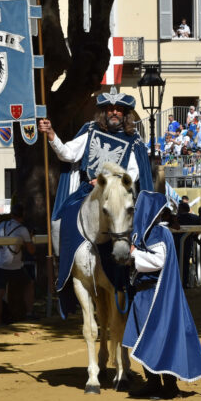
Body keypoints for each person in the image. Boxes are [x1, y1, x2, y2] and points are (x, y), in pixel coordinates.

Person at [39, 89, 153, 316]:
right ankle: (64, 268)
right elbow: (69, 154)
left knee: (128, 224)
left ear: (125, 114)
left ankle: (133, 272)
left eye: (119, 109)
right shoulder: (89, 131)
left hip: (116, 193)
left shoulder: (134, 141)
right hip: (86, 191)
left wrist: (109, 182)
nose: (114, 112)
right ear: (103, 112)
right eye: (110, 109)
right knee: (59, 220)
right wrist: (51, 134)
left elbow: (134, 173)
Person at [123, 191, 201, 399]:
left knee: (158, 338)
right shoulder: (145, 232)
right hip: (143, 293)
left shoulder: (159, 233)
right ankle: (154, 383)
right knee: (147, 339)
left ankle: (168, 386)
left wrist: (134, 253)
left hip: (156, 295)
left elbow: (158, 261)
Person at [0, 204, 37, 325]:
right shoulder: (22, 229)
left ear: (12, 214)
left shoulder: (1, 225)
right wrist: (30, 237)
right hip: (15, 266)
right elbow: (31, 250)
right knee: (29, 283)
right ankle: (29, 313)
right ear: (23, 216)